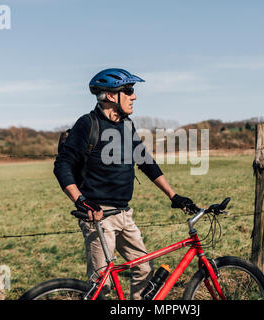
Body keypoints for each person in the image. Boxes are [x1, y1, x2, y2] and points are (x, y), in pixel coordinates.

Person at [53, 68, 196, 300]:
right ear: (110, 96)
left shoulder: (126, 125)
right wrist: (81, 201)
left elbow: (146, 162)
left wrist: (174, 195)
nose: (134, 96)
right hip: (98, 216)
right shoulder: (87, 124)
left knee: (144, 269)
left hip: (124, 214)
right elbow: (62, 165)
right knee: (102, 285)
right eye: (128, 91)